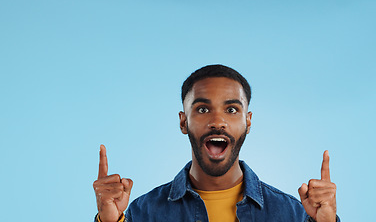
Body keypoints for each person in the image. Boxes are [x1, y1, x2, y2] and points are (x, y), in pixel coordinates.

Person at [93, 64, 339, 222]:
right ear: (183, 122)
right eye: (202, 109)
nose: (218, 121)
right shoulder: (143, 213)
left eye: (232, 109)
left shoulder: (291, 213)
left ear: (248, 122)